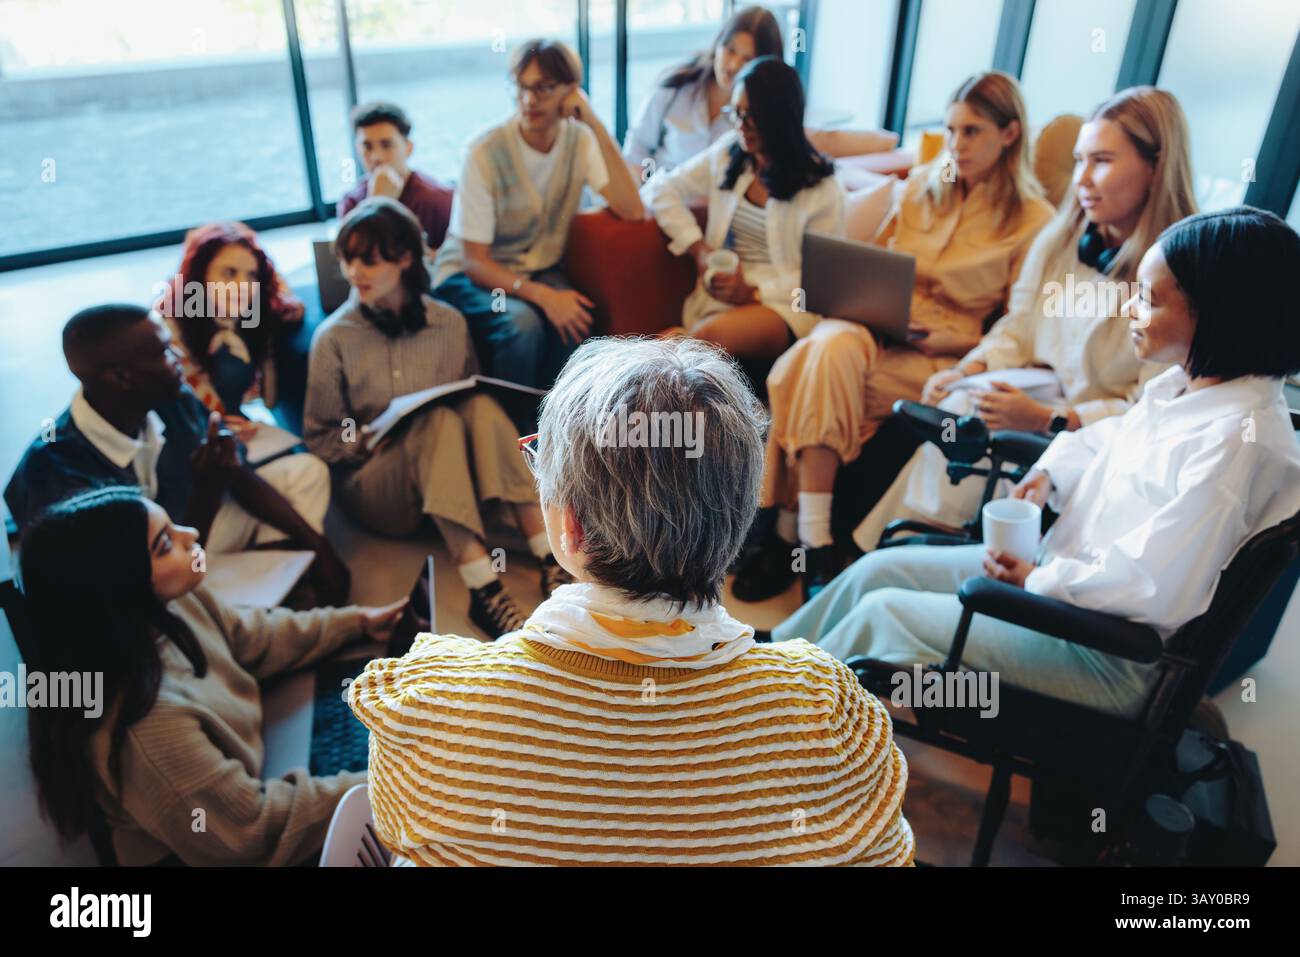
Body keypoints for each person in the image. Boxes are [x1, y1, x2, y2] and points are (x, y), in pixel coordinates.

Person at [347, 337, 914, 867]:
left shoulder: (432, 702)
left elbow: (401, 829)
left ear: (568, 528)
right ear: (740, 517)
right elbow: (890, 854)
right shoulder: (827, 709)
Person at [773, 207, 1300, 718]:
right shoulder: (1189, 388)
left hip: (1105, 654)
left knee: (884, 614)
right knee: (880, 569)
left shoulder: (1236, 444)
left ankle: (768, 723)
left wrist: (1035, 583)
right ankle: (768, 662)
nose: (1131, 311)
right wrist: (1051, 472)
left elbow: (1153, 589)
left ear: (1217, 315)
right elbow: (1106, 439)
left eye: (1148, 298)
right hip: (1066, 590)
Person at [733, 72, 1055, 602]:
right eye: (951, 130)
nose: (957, 144)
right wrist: (871, 306)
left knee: (798, 370)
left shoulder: (1032, 221)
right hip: (872, 329)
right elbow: (872, 267)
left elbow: (1015, 327)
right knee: (827, 347)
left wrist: (951, 340)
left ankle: (790, 533)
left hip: (938, 355)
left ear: (1011, 134)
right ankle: (815, 548)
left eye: (972, 131)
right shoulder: (922, 189)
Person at [852, 87, 1198, 551]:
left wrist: (1053, 418)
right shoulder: (1062, 241)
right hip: (1031, 397)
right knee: (960, 404)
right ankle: (887, 554)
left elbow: (1149, 407)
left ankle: (919, 561)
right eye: (1078, 161)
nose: (1082, 180)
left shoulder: (1177, 281)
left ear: (1155, 166)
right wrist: (968, 368)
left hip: (1092, 446)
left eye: (1101, 161)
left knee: (968, 424)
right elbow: (1018, 326)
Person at [17, 486, 406, 866]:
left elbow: (253, 636)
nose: (192, 535)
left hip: (252, 772)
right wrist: (389, 783)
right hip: (224, 839)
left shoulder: (170, 602)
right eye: (165, 544)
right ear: (120, 588)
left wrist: (354, 623)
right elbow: (251, 832)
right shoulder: (148, 729)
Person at [304, 198, 565, 639]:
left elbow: (464, 403)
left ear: (405, 258)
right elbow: (319, 436)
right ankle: (484, 587)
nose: (354, 272)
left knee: (477, 406)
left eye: (368, 260)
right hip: (375, 486)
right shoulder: (333, 338)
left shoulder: (448, 323)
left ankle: (550, 559)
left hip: (446, 482)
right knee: (437, 423)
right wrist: (362, 440)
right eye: (348, 259)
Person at [3, 304, 349, 602]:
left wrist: (319, 547)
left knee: (305, 471)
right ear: (122, 378)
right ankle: (233, 602)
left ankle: (266, 581)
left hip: (188, 528)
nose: (180, 359)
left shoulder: (172, 397)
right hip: (145, 572)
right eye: (166, 353)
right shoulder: (57, 475)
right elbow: (134, 584)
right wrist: (206, 491)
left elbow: (238, 476)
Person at [431, 39, 645, 389]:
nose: (529, 100)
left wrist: (592, 120)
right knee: (522, 325)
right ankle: (510, 432)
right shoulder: (484, 152)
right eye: (521, 87)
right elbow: (475, 261)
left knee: (577, 318)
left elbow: (632, 209)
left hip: (539, 269)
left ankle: (554, 427)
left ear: (570, 91)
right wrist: (543, 296)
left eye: (544, 89)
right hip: (470, 275)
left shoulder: (580, 140)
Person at [644, 56, 844, 361]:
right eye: (735, 113)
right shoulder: (729, 153)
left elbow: (821, 283)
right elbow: (661, 188)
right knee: (673, 347)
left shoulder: (822, 189)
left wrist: (753, 291)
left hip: (782, 306)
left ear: (780, 117)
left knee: (692, 344)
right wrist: (697, 248)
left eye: (752, 116)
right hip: (722, 299)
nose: (740, 125)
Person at [623, 5, 897, 179]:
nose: (732, 66)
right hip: (660, 201)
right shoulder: (675, 88)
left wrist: (888, 142)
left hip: (718, 214)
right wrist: (643, 188)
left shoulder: (766, 115)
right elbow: (637, 146)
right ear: (718, 44)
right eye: (729, 51)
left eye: (747, 59)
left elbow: (819, 139)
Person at [153, 221, 305, 441]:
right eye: (229, 273)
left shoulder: (251, 315)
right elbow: (171, 417)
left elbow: (281, 291)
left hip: (239, 427)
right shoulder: (168, 329)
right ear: (200, 275)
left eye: (251, 276)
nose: (242, 285)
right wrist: (220, 427)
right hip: (196, 438)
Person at [337, 100, 454, 252]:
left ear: (408, 148)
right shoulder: (351, 203)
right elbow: (352, 260)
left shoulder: (438, 200)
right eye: (367, 146)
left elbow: (456, 262)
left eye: (386, 145)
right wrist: (375, 203)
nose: (376, 157)